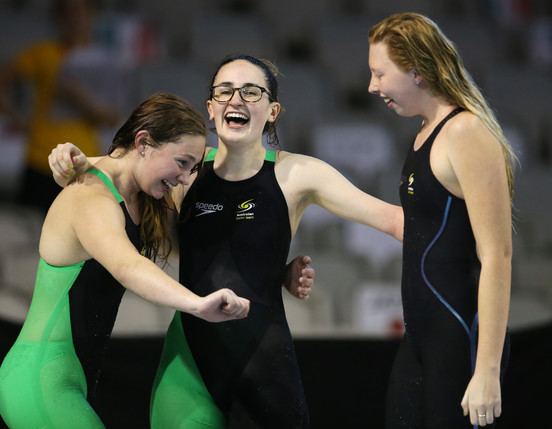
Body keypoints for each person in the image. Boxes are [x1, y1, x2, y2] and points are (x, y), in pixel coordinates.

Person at [49, 53, 403, 428]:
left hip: (262, 365)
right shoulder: (183, 172)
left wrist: (468, 234)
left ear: (272, 111)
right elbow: (124, 170)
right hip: (187, 367)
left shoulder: (297, 174)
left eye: (251, 92)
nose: (236, 100)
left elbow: (393, 220)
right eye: (225, 91)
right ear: (211, 110)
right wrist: (70, 159)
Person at [0, 92, 251, 429]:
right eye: (182, 162)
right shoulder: (90, 196)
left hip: (71, 379)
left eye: (192, 166)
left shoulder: (139, 196)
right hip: (37, 379)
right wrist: (197, 305)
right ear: (143, 142)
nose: (185, 177)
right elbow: (127, 267)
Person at [367, 13, 514, 428]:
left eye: (380, 73)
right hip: (419, 340)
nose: (371, 87)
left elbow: (497, 256)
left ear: (416, 70)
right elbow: (417, 227)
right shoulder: (424, 133)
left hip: (460, 343)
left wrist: (485, 371)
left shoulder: (466, 133)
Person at [0, 0, 120, 213]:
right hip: (41, 159)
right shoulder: (42, 53)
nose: (76, 18)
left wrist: (81, 100)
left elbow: (111, 117)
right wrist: (18, 119)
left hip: (84, 162)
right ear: (59, 18)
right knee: (31, 236)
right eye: (69, 13)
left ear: (91, 16)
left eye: (82, 12)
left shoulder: (103, 60)